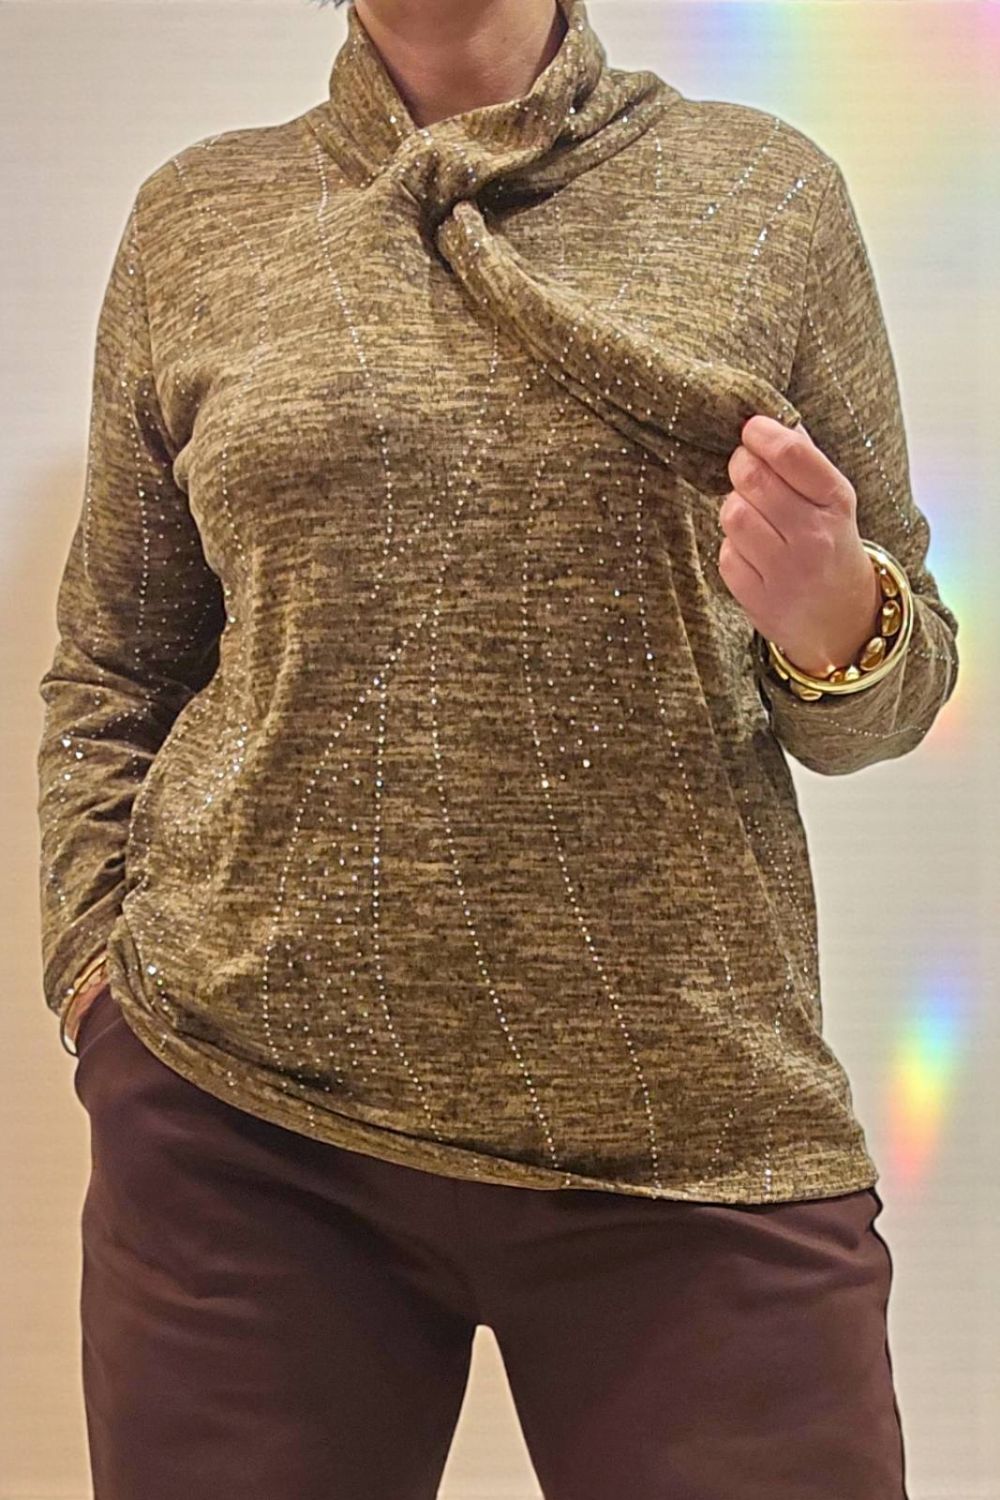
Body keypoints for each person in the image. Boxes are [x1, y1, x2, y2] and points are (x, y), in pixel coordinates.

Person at [38, 0, 957, 1493]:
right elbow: (116, 664)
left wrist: (835, 618)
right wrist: (96, 984)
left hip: (693, 1127)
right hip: (245, 1129)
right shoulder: (197, 216)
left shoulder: (765, 194)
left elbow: (898, 687)